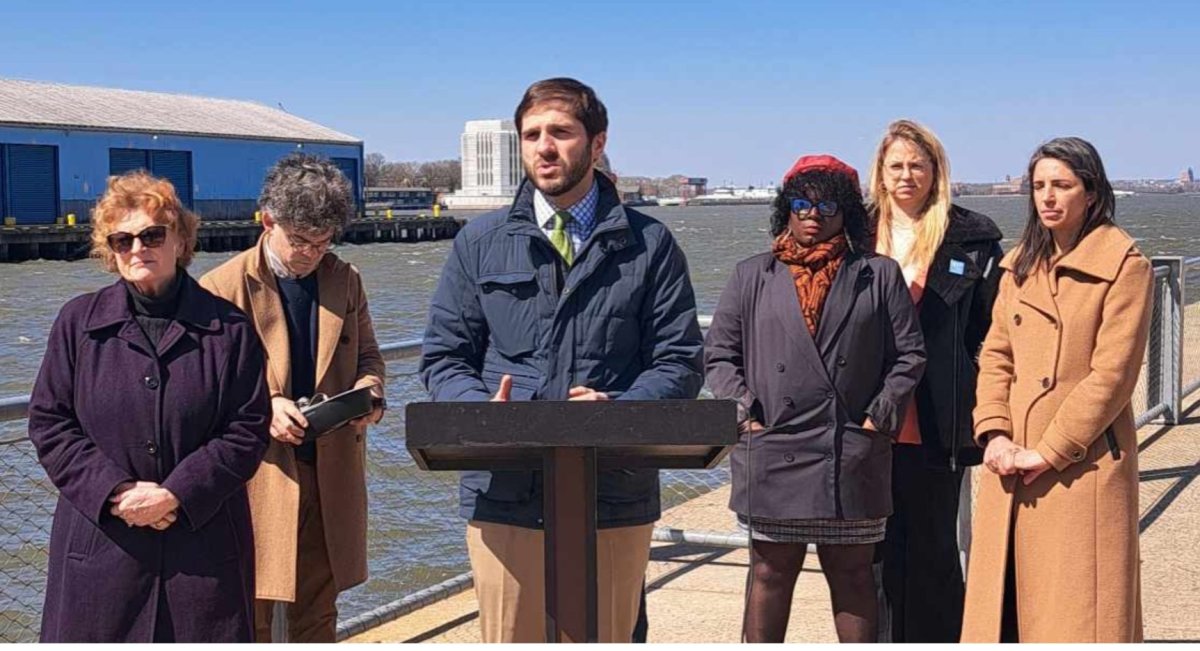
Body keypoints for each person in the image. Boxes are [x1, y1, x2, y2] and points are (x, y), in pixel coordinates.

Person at [420, 77, 704, 643]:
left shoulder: (650, 245)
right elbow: (444, 356)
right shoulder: (480, 242)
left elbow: (679, 361)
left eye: (561, 132)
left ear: (597, 144)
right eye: (531, 135)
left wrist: (617, 409)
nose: (544, 148)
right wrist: (482, 412)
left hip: (613, 491)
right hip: (504, 491)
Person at [28, 172, 270, 642]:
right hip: (102, 547)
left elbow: (247, 429)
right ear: (110, 250)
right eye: (122, 239)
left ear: (180, 239)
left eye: (152, 234)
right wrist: (116, 493)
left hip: (202, 549)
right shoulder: (77, 323)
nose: (138, 247)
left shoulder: (230, 328)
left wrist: (176, 492)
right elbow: (50, 423)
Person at [705, 155, 926, 643]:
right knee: (768, 574)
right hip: (772, 446)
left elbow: (909, 355)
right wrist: (745, 416)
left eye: (827, 204)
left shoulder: (878, 274)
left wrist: (878, 418)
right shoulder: (751, 275)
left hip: (849, 448)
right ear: (786, 208)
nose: (813, 214)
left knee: (853, 577)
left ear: (846, 211)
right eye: (801, 203)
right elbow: (719, 355)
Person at [962, 137, 1151, 642]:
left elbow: (1112, 377)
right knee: (1006, 613)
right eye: (1039, 186)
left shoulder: (1124, 266)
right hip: (1011, 462)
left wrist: (1049, 451)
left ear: (1090, 191)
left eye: (1062, 185)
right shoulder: (1018, 266)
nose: (1047, 197)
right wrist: (994, 433)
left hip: (1081, 463)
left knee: (1078, 613)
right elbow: (996, 355)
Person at [200, 153, 386, 642]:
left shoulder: (345, 279)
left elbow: (369, 357)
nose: (311, 253)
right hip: (257, 476)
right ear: (268, 220)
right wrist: (266, 409)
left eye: (324, 242)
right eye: (300, 240)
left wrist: (371, 393)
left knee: (318, 613)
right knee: (249, 612)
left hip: (330, 472)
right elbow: (201, 393)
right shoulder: (219, 288)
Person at [866, 119, 1004, 642]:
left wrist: (989, 411)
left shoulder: (971, 238)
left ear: (935, 171)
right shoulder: (854, 235)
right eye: (896, 165)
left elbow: (987, 333)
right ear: (880, 173)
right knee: (872, 550)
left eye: (917, 165)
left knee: (934, 547)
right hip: (866, 419)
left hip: (938, 418)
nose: (906, 175)